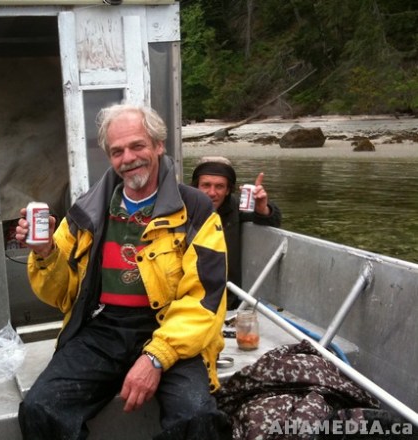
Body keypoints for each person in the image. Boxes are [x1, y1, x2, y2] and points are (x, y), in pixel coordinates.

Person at [16, 104, 230, 439]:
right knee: (40, 408)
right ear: (110, 157)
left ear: (158, 145)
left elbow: (204, 300)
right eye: (117, 151)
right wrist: (45, 253)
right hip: (103, 328)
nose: (128, 158)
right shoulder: (86, 211)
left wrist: (156, 357)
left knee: (196, 416)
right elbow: (59, 296)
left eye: (137, 146)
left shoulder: (195, 209)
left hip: (170, 327)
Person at [191, 157, 281, 310]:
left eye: (219, 186)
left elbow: (272, 221)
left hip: (228, 299)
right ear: (196, 187)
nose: (212, 193)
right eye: (206, 185)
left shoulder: (236, 207)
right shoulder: (181, 207)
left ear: (228, 190)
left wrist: (262, 209)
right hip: (188, 297)